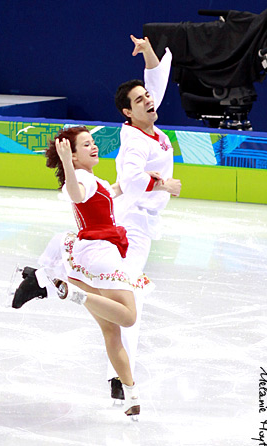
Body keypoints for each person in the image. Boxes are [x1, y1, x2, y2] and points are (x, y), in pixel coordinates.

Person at [10, 125, 167, 418]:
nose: (93, 147)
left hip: (88, 258)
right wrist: (69, 164)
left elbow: (116, 190)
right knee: (129, 317)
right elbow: (77, 194)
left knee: (112, 330)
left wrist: (152, 182)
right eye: (85, 145)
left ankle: (131, 394)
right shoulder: (81, 177)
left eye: (92, 142)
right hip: (101, 255)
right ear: (72, 154)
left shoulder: (95, 180)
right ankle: (76, 294)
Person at [106, 35, 181, 400]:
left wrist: (148, 51)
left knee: (125, 296)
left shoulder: (146, 123)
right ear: (127, 112)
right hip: (132, 225)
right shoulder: (134, 140)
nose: (149, 101)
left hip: (140, 221)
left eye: (147, 98)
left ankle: (117, 374)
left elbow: (156, 83)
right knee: (129, 299)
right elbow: (133, 179)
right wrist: (165, 183)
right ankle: (120, 376)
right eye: (140, 101)